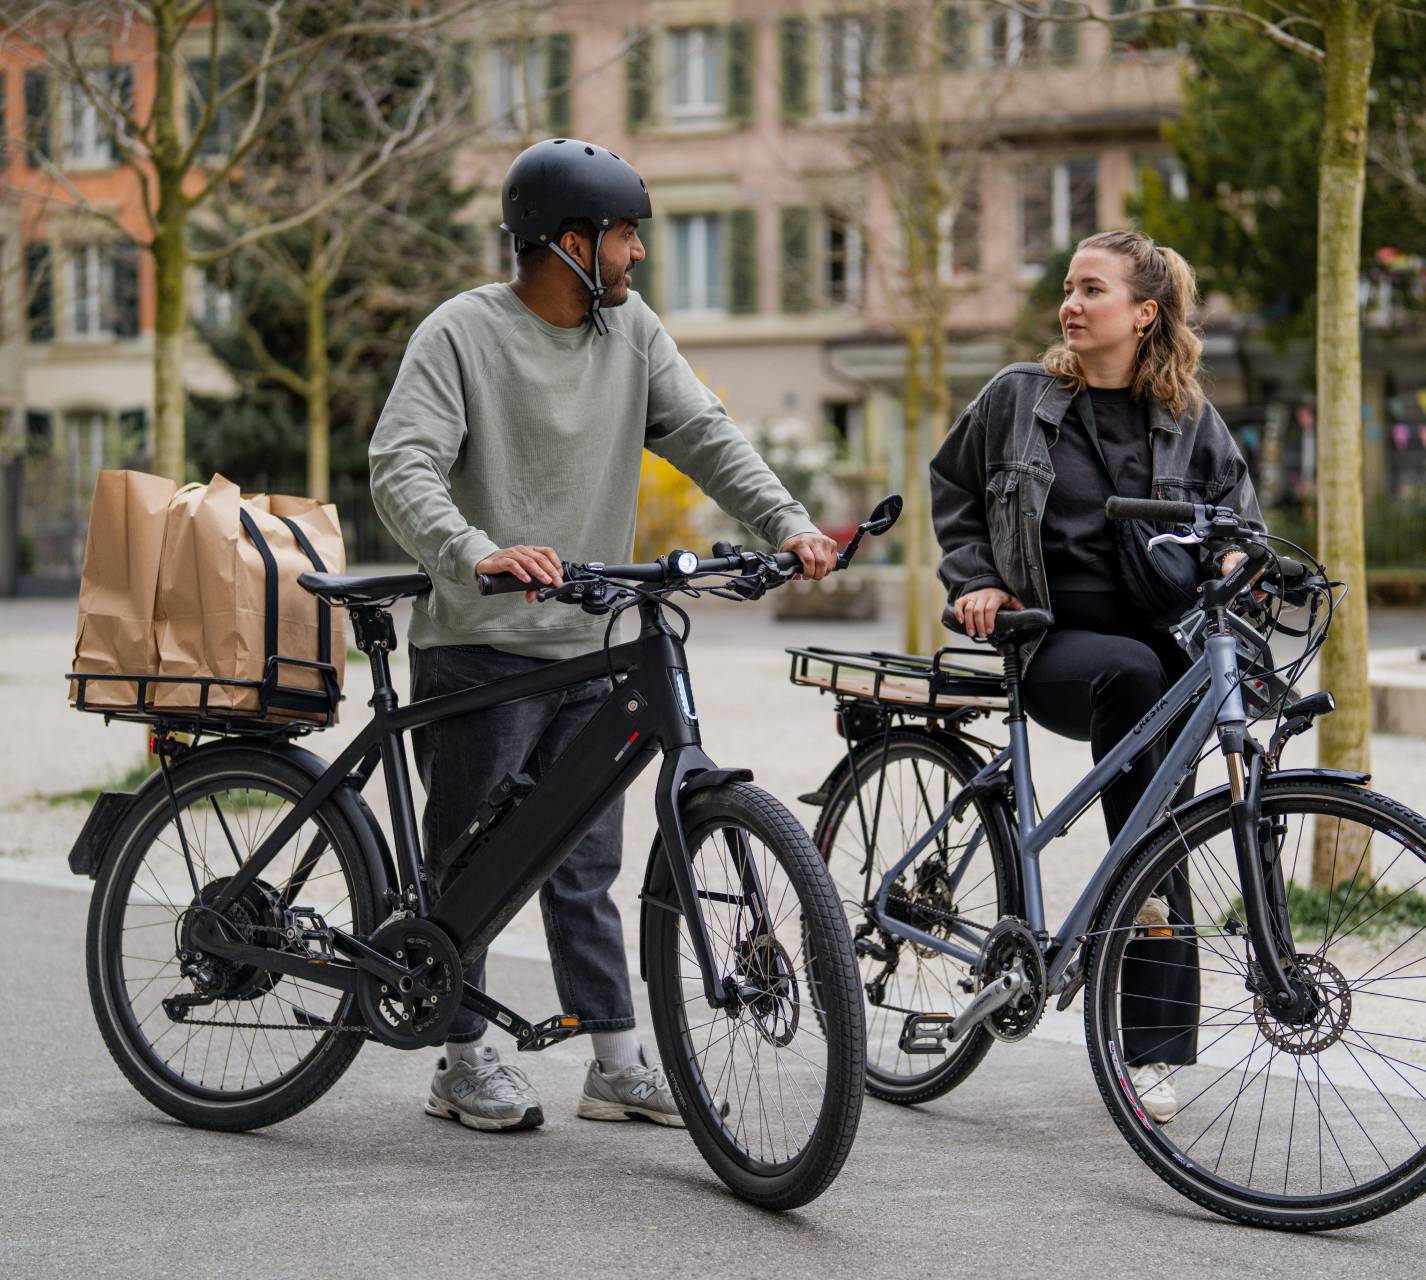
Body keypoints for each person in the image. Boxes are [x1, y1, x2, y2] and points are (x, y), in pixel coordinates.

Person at [368, 138, 836, 1134]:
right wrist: (476, 548)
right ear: (568, 242)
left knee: (584, 860)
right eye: (625, 236)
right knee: (465, 860)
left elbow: (706, 432)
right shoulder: (462, 333)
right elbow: (400, 465)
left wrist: (786, 524)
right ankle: (459, 1057)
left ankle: (614, 1061)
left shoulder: (631, 334)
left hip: (593, 639)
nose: (636, 256)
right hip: (482, 642)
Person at [929, 229, 1264, 1123]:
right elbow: (953, 489)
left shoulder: (1188, 416)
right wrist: (978, 581)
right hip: (1049, 642)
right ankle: (1138, 884)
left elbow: (1241, 520)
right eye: (1069, 289)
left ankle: (1150, 1025)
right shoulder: (1020, 398)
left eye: (1093, 290)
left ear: (1144, 313)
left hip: (1162, 651)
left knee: (1170, 803)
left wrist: (1239, 565)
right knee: (1143, 749)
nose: (1071, 305)